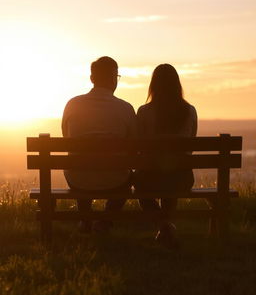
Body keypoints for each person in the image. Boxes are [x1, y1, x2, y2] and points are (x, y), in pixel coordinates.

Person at [62, 56, 136, 231]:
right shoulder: (125, 108)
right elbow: (134, 146)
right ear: (113, 79)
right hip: (115, 180)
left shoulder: (72, 105)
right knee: (130, 176)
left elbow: (67, 141)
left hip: (78, 179)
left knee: (79, 164)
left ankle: (86, 218)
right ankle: (106, 220)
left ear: (92, 79)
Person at [135, 63, 197, 247]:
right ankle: (166, 228)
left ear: (153, 85)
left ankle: (164, 226)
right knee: (172, 174)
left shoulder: (144, 112)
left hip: (149, 178)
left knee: (140, 185)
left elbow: (140, 148)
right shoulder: (189, 111)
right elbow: (190, 147)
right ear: (177, 85)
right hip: (183, 178)